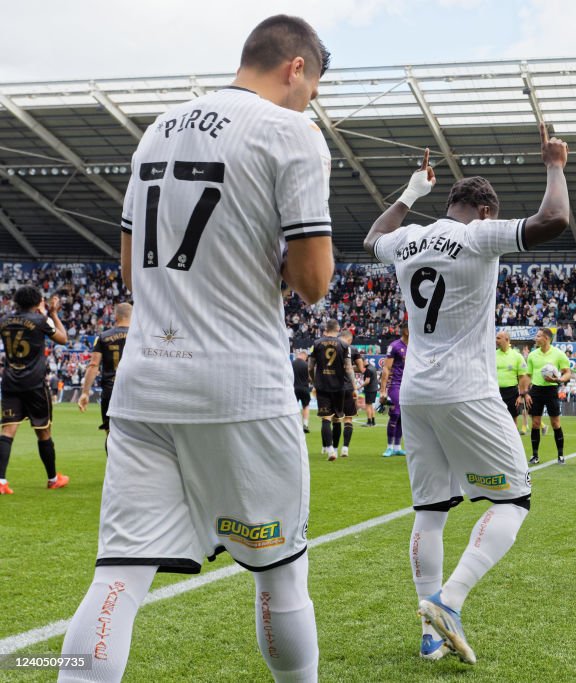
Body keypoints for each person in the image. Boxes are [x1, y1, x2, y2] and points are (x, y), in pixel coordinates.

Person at [59, 16, 334, 683]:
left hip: (145, 386)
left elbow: (128, 270)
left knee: (118, 579)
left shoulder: (158, 129)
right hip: (240, 387)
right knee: (280, 576)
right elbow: (314, 283)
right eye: (314, 87)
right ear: (295, 67)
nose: (312, 102)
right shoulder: (291, 132)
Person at [363, 123, 570, 663]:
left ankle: (430, 631)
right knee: (515, 499)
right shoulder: (480, 235)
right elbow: (554, 221)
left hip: (418, 392)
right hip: (467, 390)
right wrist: (554, 164)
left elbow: (371, 241)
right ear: (485, 212)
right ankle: (449, 602)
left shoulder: (409, 238)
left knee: (431, 509)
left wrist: (411, 192)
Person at [0, 287, 69, 494]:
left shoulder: (4, 320)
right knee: (43, 431)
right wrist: (53, 314)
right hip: (35, 384)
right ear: (38, 301)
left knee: (7, 431)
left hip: (11, 382)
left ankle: (1, 481)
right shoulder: (41, 321)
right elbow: (63, 339)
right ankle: (53, 479)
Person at [78, 302, 132, 449]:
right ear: (132, 316)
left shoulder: (103, 337)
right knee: (136, 437)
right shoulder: (140, 336)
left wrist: (85, 393)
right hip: (134, 390)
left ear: (115, 316)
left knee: (111, 435)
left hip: (111, 391)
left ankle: (113, 470)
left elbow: (94, 365)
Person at [309, 320, 358, 460]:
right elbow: (348, 368)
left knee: (325, 418)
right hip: (339, 387)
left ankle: (330, 450)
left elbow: (310, 367)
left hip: (322, 386)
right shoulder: (344, 345)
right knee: (337, 419)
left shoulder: (317, 344)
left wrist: (314, 381)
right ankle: (338, 449)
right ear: (338, 329)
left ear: (326, 328)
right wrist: (354, 386)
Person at [525, 328, 571, 464]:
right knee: (535, 423)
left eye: (538, 336)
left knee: (555, 423)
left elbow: (567, 373)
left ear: (546, 338)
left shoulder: (558, 354)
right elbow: (528, 375)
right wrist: (526, 392)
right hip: (536, 391)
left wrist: (559, 380)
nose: (536, 338)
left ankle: (561, 456)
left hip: (551, 390)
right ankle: (535, 455)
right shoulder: (532, 355)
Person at [380, 324, 409, 456]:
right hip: (395, 385)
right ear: (405, 331)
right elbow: (386, 368)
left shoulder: (416, 346)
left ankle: (397, 447)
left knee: (403, 416)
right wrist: (383, 390)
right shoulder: (395, 346)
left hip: (409, 385)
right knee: (395, 413)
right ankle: (389, 446)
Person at [496, 331, 529, 432]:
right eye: (496, 338)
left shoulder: (517, 356)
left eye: (498, 338)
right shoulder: (492, 355)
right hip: (495, 392)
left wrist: (521, 395)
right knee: (496, 419)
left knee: (512, 419)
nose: (496, 341)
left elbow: (522, 378)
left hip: (511, 392)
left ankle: (513, 442)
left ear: (506, 339)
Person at [292, 349, 312, 433]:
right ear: (305, 356)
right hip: (304, 389)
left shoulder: (291, 364)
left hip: (293, 389)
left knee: (293, 407)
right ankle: (305, 425)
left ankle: (294, 425)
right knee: (306, 406)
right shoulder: (306, 365)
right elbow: (310, 378)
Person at [361, 360, 380, 427]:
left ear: (364, 362)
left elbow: (367, 381)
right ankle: (373, 422)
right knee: (371, 405)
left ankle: (369, 422)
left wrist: (359, 387)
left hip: (370, 389)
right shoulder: (373, 367)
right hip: (374, 389)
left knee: (368, 406)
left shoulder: (368, 370)